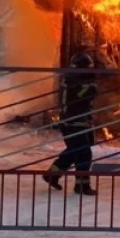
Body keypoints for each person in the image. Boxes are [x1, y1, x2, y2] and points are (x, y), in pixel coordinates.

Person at [42, 52, 99, 196]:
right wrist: (92, 84)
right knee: (84, 153)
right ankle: (82, 186)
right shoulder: (74, 82)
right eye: (88, 68)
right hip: (73, 122)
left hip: (78, 121)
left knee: (75, 150)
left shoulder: (73, 79)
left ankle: (52, 174)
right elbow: (87, 93)